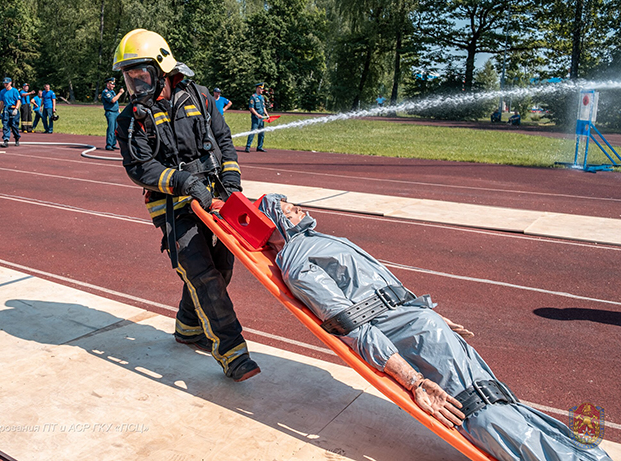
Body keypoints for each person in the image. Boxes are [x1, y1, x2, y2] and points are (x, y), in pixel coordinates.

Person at [257, 193, 611, 461]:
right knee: (477, 410)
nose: (298, 208)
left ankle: (580, 454)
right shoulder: (297, 259)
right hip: (409, 339)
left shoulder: (316, 243)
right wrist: (414, 381)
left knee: (494, 395)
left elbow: (383, 290)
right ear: (272, 223)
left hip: (423, 327)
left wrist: (428, 313)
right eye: (286, 207)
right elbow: (350, 325)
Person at [112, 29, 259, 382]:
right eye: (130, 78)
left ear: (162, 69)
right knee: (200, 272)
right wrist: (183, 182)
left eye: (141, 75)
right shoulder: (130, 120)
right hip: (172, 206)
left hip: (216, 195)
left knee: (222, 266)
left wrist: (233, 186)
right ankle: (232, 352)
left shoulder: (201, 97)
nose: (136, 85)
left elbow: (224, 142)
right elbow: (140, 168)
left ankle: (188, 324)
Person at [101, 76, 125, 150]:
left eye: (114, 84)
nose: (113, 86)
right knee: (111, 128)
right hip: (110, 113)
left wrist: (118, 110)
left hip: (115, 112)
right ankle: (109, 144)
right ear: (108, 84)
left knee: (116, 129)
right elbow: (113, 100)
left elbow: (115, 103)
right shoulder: (106, 92)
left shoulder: (112, 92)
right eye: (112, 84)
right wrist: (120, 93)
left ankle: (113, 143)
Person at [244, 82, 269, 153]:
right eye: (261, 88)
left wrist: (266, 114)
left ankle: (259, 147)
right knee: (253, 131)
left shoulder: (262, 97)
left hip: (262, 117)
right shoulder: (253, 97)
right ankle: (248, 147)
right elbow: (251, 108)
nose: (262, 90)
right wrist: (257, 115)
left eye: (262, 89)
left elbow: (263, 107)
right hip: (256, 118)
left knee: (261, 133)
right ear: (257, 88)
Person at [0, 77, 22, 147]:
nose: (6, 85)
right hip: (6, 109)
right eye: (4, 83)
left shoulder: (15, 91)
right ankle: (6, 140)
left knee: (14, 125)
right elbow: (2, 102)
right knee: (5, 124)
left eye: (7, 83)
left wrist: (16, 109)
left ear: (10, 83)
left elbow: (18, 100)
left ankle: (17, 138)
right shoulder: (2, 92)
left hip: (13, 108)